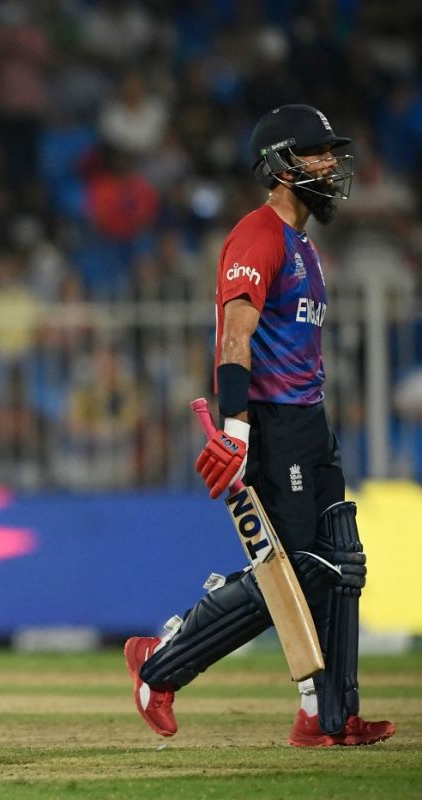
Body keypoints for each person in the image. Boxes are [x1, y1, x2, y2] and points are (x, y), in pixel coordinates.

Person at [124, 104, 396, 747]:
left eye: (332, 153)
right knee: (298, 566)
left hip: (309, 420)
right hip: (272, 423)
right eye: (317, 154)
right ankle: (160, 665)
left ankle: (328, 716)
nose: (331, 165)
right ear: (280, 164)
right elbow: (234, 339)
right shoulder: (259, 234)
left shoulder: (304, 243)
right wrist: (238, 429)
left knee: (339, 561)